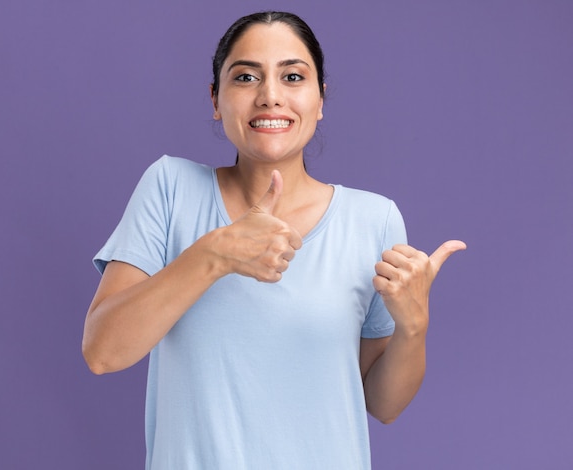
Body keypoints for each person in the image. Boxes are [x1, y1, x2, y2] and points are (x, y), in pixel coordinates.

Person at [82, 11, 466, 470]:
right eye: (245, 77)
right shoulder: (170, 188)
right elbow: (103, 352)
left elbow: (382, 404)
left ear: (320, 98)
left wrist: (414, 327)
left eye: (292, 77)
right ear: (216, 99)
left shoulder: (374, 220)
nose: (270, 96)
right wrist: (214, 254)